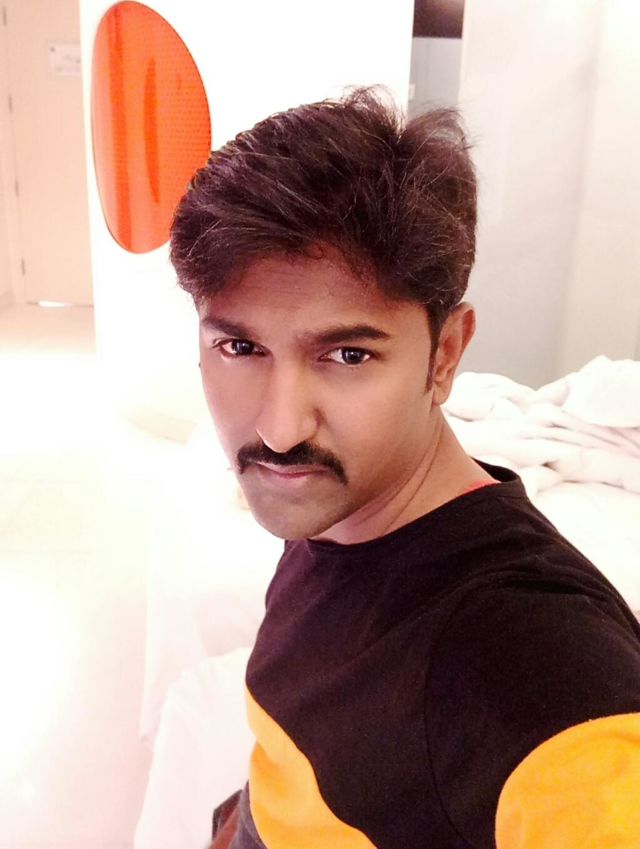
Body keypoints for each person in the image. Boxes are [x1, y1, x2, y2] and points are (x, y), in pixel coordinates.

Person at [169, 88, 640, 849]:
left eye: (348, 355)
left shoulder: (534, 665)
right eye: (240, 347)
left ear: (445, 355)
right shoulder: (342, 508)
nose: (280, 430)